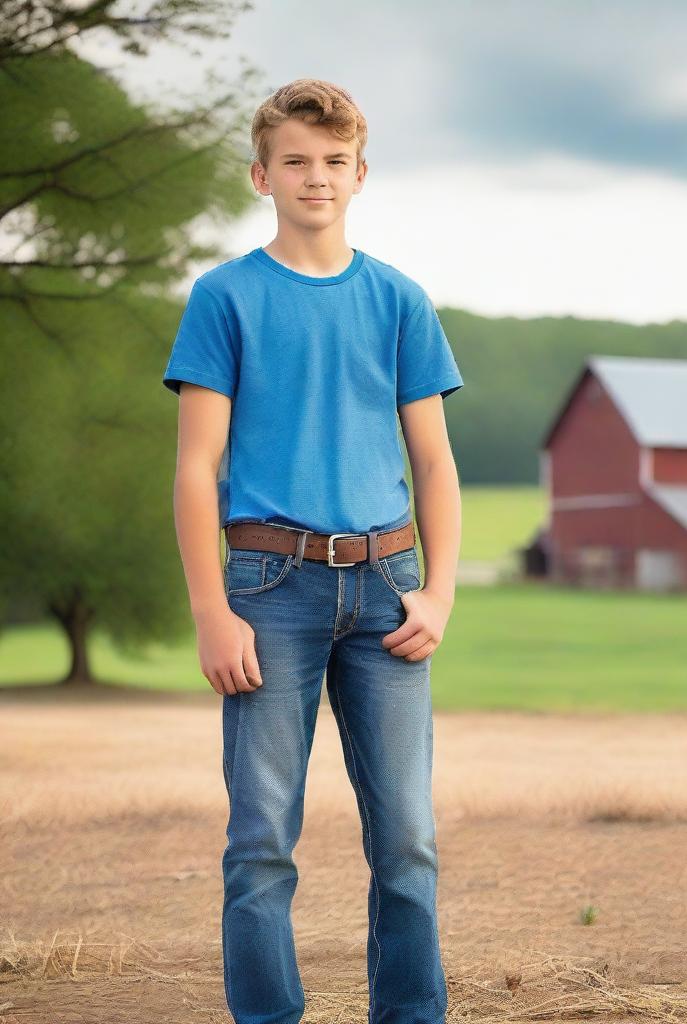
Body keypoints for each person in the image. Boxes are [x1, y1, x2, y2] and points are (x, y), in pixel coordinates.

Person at [161, 79, 463, 1024]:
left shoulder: (401, 301)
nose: (315, 176)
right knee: (260, 843)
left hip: (386, 589)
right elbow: (195, 467)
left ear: (360, 174)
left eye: (334, 161)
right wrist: (213, 610)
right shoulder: (224, 298)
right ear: (262, 175)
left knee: (408, 842)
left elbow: (435, 464)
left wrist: (439, 593)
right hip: (266, 589)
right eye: (296, 160)